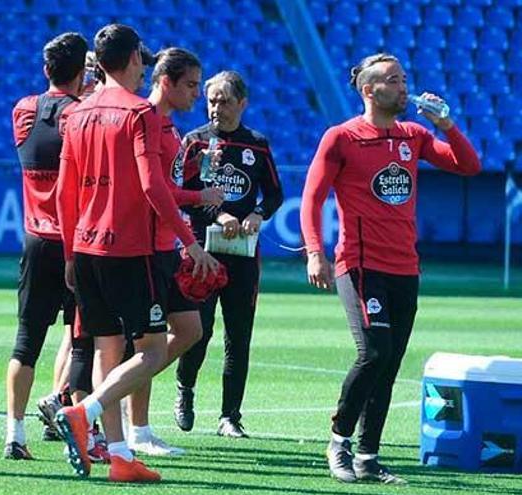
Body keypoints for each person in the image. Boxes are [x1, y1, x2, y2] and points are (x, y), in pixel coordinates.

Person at [300, 53, 481, 484]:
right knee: (374, 352)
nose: (404, 87)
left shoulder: (413, 135)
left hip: (405, 266)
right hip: (361, 263)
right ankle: (339, 440)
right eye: (393, 81)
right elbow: (311, 199)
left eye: (404, 79)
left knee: (391, 361)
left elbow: (469, 166)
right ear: (369, 90)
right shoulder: (341, 138)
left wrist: (447, 125)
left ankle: (368, 456)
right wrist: (313, 252)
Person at [54, 24, 218, 483]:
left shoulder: (78, 112)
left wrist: (69, 253)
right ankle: (85, 411)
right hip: (133, 247)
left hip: (86, 246)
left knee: (118, 345)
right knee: (147, 350)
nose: (144, 69)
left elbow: (65, 190)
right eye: (142, 61)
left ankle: (120, 454)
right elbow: (151, 185)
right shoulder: (138, 113)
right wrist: (189, 242)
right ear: (131, 61)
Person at [124, 47, 225, 457]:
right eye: (190, 85)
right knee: (146, 342)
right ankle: (136, 427)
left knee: (190, 330)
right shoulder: (146, 121)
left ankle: (116, 389)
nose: (196, 94)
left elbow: (168, 187)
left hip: (166, 242)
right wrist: (198, 202)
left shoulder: (169, 130)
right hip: (147, 245)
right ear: (165, 82)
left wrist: (195, 178)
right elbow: (154, 191)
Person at [173, 71, 283, 438]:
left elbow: (274, 195)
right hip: (203, 252)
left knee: (239, 336)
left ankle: (230, 416)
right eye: (211, 100)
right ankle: (185, 388)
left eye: (223, 100)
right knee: (198, 332)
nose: (216, 107)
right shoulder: (195, 142)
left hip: (243, 254)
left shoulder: (257, 144)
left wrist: (257, 214)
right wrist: (217, 215)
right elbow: (184, 193)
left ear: (242, 103)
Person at [3, 32, 87, 461]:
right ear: (82, 71)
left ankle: (13, 434)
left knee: (26, 341)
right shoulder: (83, 115)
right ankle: (83, 431)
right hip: (75, 242)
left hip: (35, 240)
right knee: (83, 341)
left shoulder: (23, 109)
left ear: (46, 70)